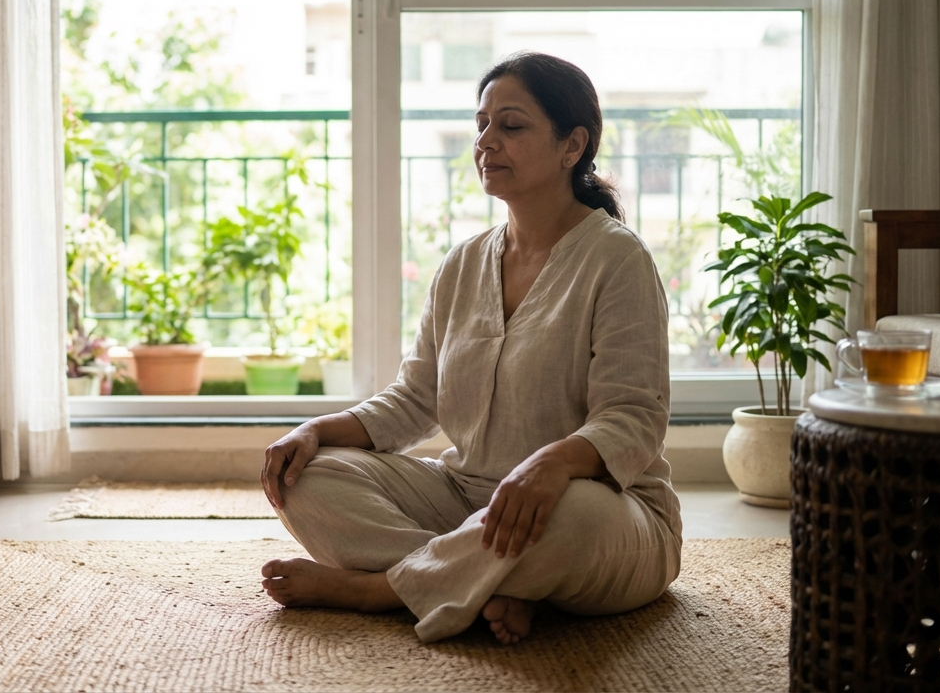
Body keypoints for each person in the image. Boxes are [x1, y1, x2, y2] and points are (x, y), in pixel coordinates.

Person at [258, 51, 681, 645]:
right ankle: (492, 583)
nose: (486, 141)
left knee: (573, 512)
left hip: (604, 512)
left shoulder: (618, 260)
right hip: (466, 500)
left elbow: (635, 420)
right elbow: (413, 399)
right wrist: (317, 430)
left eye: (510, 126)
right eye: (481, 124)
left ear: (571, 145)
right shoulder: (463, 263)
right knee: (306, 476)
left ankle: (376, 589)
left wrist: (551, 465)